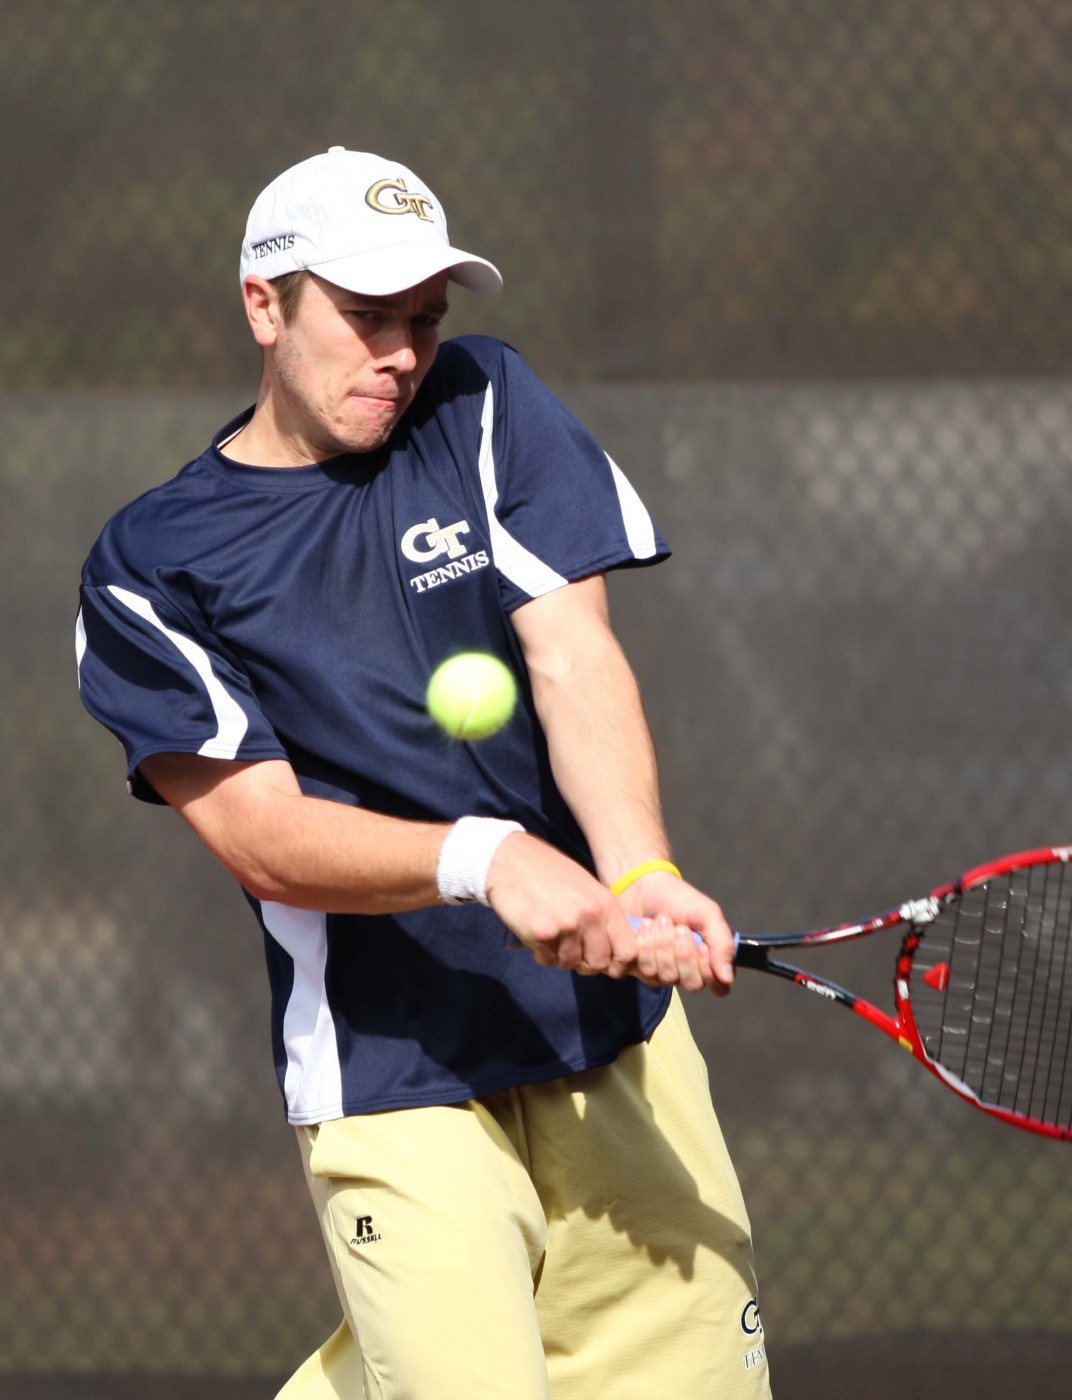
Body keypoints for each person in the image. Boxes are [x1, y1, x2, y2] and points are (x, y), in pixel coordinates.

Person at [76, 147, 771, 1399]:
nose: (401, 352)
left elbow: (572, 653)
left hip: (610, 1035)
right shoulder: (153, 563)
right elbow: (261, 835)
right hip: (387, 1068)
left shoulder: (483, 403)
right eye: (366, 315)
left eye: (424, 317)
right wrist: (485, 857)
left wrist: (641, 872)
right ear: (264, 304)